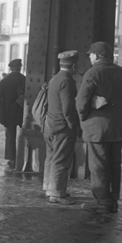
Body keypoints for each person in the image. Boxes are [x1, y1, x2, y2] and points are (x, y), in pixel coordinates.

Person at [76, 41, 122, 213]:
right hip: (117, 127)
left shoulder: (93, 72)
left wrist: (84, 117)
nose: (89, 57)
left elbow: (81, 102)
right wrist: (118, 108)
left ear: (96, 55)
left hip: (97, 128)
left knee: (98, 165)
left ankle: (102, 201)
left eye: (90, 54)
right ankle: (113, 199)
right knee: (114, 163)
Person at [42, 51, 80, 205]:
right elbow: (68, 108)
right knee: (61, 160)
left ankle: (48, 187)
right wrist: (74, 126)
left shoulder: (55, 78)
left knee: (51, 157)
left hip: (50, 125)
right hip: (62, 128)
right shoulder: (67, 81)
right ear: (74, 65)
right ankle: (57, 194)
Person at [0, 59, 26, 169]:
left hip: (9, 112)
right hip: (22, 111)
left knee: (10, 135)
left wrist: (1, 108)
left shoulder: (5, 80)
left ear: (10, 68)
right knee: (24, 134)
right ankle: (24, 157)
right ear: (20, 67)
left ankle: (12, 159)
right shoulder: (24, 79)